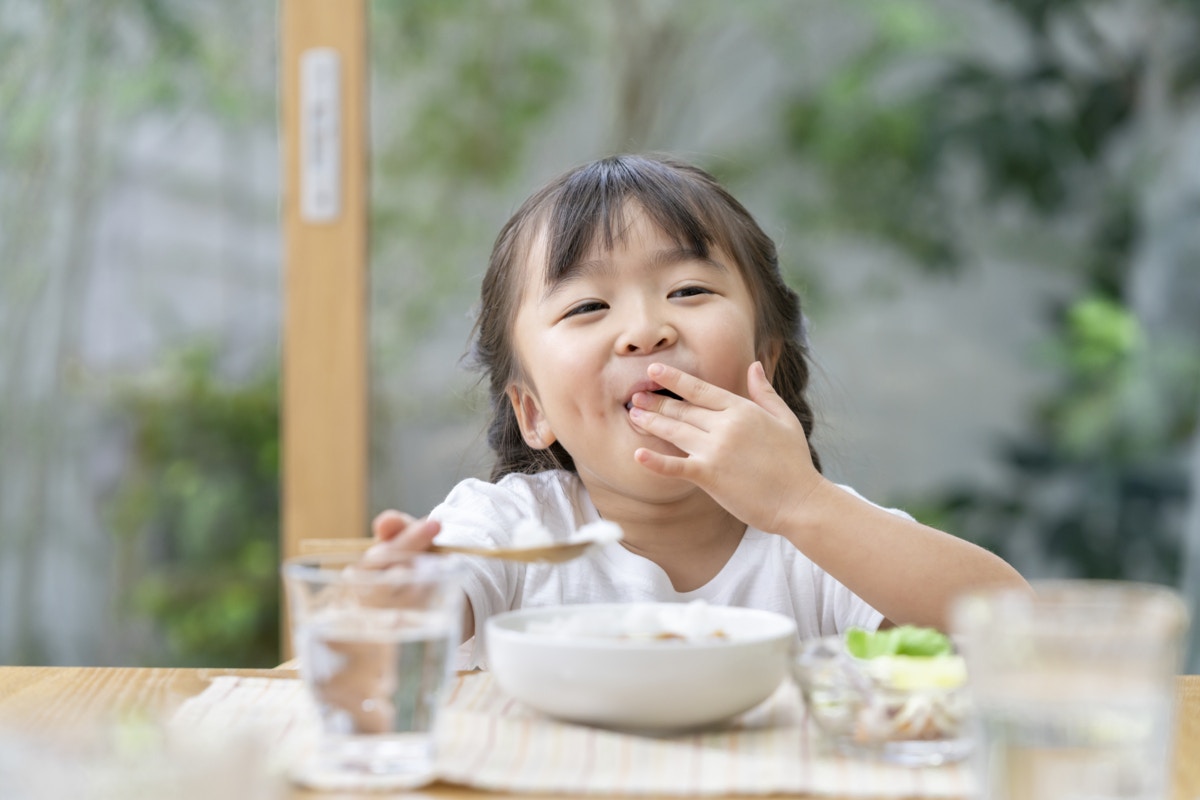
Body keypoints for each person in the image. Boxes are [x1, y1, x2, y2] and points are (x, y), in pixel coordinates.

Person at [371, 153, 1029, 668]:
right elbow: (399, 626)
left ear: (763, 368)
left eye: (688, 290)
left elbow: (1016, 632)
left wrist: (802, 505)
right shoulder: (509, 530)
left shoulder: (815, 541)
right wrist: (397, 597)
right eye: (587, 307)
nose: (645, 330)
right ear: (532, 410)